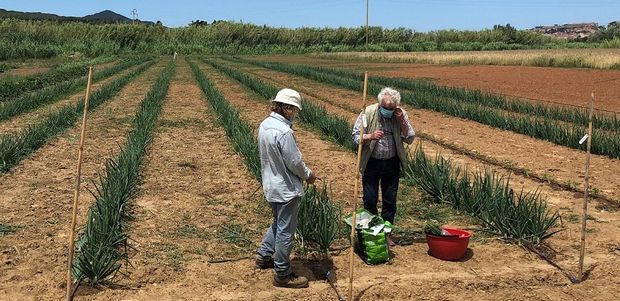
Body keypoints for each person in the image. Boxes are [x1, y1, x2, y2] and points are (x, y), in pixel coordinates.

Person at [255, 88, 317, 289]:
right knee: (285, 231)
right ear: (287, 108)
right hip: (286, 189)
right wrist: (308, 175)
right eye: (293, 110)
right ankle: (282, 273)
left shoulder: (265, 125)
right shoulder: (284, 132)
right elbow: (294, 162)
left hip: (271, 186)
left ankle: (264, 256)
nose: (294, 114)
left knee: (278, 223)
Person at [352, 87, 415, 246]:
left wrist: (401, 121)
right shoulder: (368, 112)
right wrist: (370, 136)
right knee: (370, 199)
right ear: (379, 104)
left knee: (390, 200)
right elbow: (355, 136)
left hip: (392, 163)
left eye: (391, 108)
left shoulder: (400, 114)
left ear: (396, 106)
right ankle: (373, 233)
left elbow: (409, 138)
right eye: (385, 108)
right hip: (371, 162)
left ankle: (386, 234)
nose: (388, 111)